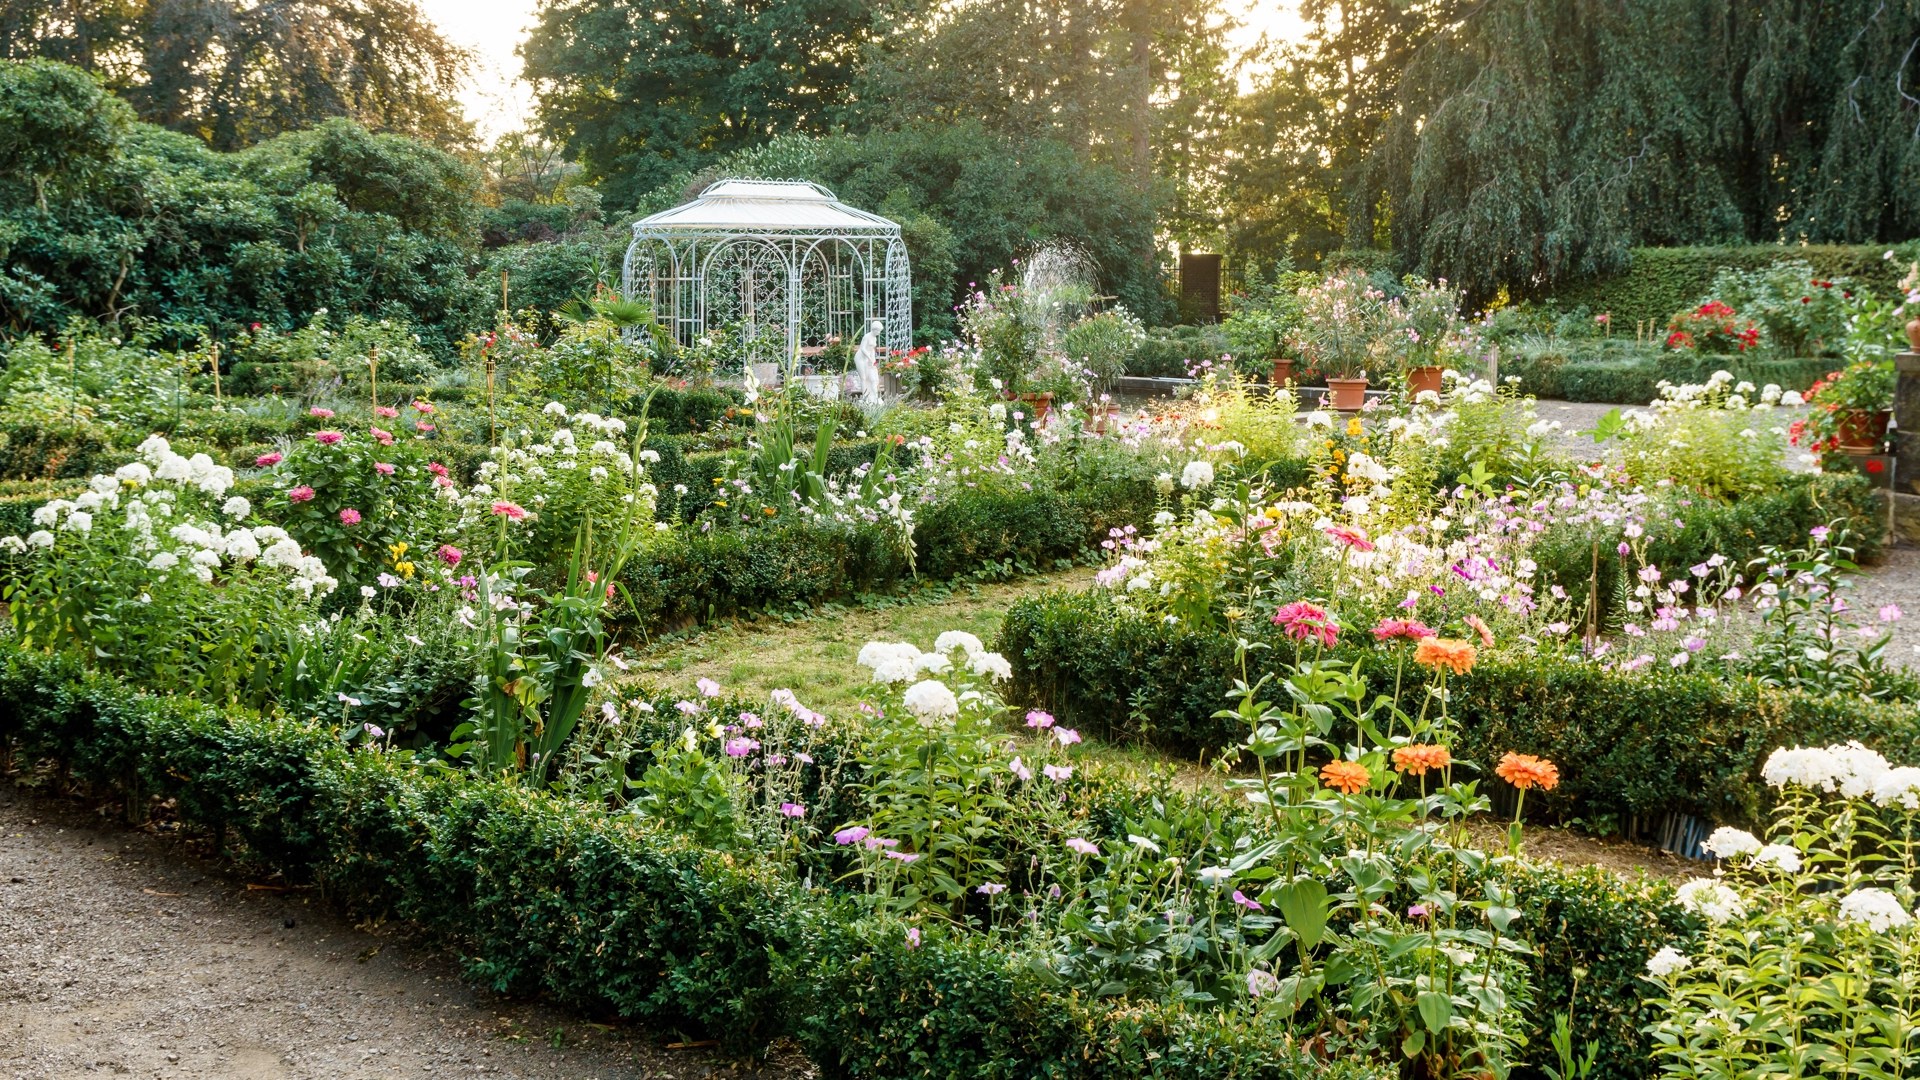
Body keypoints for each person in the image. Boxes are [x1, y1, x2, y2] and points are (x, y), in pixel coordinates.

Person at [852, 319, 884, 399]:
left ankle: (872, 396)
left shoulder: (874, 338)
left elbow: (872, 350)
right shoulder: (866, 336)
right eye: (878, 331)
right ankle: (865, 396)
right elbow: (862, 348)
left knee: (871, 376)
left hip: (867, 358)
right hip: (860, 358)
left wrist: (873, 360)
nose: (879, 333)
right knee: (863, 377)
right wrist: (869, 357)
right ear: (874, 329)